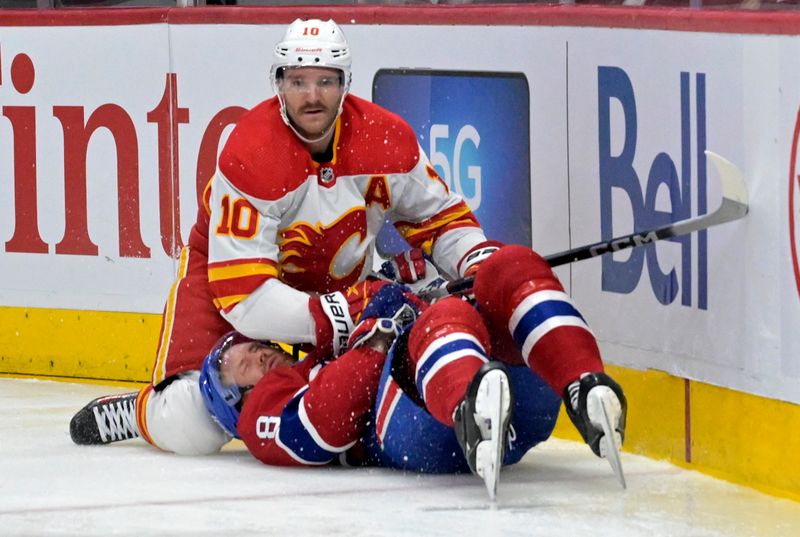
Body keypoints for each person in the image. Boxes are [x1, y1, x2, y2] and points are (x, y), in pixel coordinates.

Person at [70, 18, 502, 455]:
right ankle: (142, 410)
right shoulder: (251, 153)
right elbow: (245, 297)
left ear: (345, 82)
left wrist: (479, 264)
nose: (312, 96)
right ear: (278, 84)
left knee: (351, 398)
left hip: (332, 290)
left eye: (325, 81)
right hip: (226, 279)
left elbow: (445, 220)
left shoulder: (386, 138)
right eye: (297, 81)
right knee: (193, 424)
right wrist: (335, 314)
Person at [199, 249, 627, 500]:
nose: (259, 356)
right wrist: (378, 331)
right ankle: (469, 406)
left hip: (495, 402)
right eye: (243, 366)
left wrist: (421, 293)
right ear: (237, 400)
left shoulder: (315, 359)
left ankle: (583, 385)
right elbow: (328, 421)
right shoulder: (260, 415)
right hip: (417, 434)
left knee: (508, 266)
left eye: (255, 347)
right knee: (448, 316)